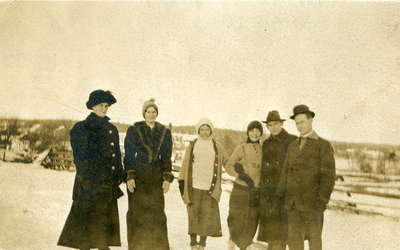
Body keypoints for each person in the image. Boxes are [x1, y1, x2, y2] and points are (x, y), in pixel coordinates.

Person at [58, 90, 125, 250]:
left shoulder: (112, 129)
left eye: (106, 106)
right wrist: (89, 181)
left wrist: (119, 176)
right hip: (89, 184)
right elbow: (81, 160)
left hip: (107, 186)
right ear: (93, 106)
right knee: (85, 234)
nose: (104, 108)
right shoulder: (82, 128)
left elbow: (116, 156)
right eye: (101, 105)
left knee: (104, 230)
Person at [276, 105, 336, 250]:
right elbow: (285, 173)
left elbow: (328, 177)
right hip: (293, 205)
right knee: (295, 244)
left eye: (302, 122)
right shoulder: (292, 146)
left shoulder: (323, 145)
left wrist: (321, 201)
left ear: (310, 120)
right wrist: (280, 196)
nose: (299, 126)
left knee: (314, 244)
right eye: (297, 123)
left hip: (313, 205)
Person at [124, 98, 174, 250]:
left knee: (156, 213)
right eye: (148, 111)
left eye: (154, 112)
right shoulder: (134, 130)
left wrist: (166, 178)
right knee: (137, 212)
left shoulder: (164, 132)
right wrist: (130, 176)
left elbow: (166, 156)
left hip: (156, 177)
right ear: (143, 113)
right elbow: (129, 155)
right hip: (139, 176)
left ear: (157, 114)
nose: (151, 115)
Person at [178, 118, 227, 250]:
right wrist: (181, 182)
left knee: (206, 216)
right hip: (193, 186)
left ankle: (203, 243)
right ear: (198, 130)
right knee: (193, 215)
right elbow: (185, 165)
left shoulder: (217, 146)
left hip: (209, 188)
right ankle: (193, 243)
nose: (205, 132)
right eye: (202, 129)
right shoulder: (193, 144)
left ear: (211, 130)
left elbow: (228, 162)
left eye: (207, 129)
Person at [257, 111, 297, 250]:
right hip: (268, 195)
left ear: (281, 124)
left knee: (285, 234)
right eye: (270, 125)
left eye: (275, 124)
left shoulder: (292, 141)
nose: (273, 127)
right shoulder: (266, 143)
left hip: (285, 195)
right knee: (272, 235)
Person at [225, 121, 264, 250]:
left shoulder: (263, 149)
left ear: (261, 133)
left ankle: (244, 246)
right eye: (252, 130)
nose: (255, 133)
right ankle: (233, 242)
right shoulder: (241, 147)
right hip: (241, 190)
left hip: (255, 191)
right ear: (248, 132)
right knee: (237, 219)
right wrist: (240, 175)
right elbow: (229, 166)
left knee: (252, 220)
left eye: (257, 131)